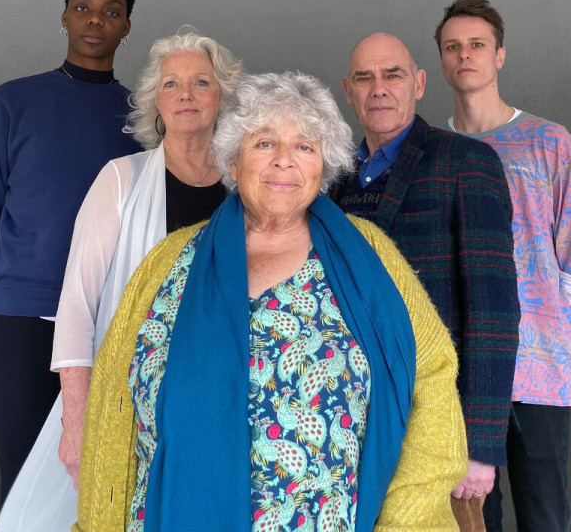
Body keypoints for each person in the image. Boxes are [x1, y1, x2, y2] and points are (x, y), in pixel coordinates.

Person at [74, 71, 466, 531]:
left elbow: (433, 391)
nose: (285, 161)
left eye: (304, 146)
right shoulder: (168, 262)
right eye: (264, 143)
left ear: (324, 166)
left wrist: (403, 524)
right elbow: (112, 408)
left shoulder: (372, 258)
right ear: (233, 162)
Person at [0, 30, 242, 531]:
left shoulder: (247, 184)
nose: (186, 94)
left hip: (224, 401)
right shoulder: (120, 180)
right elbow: (77, 308)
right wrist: (77, 420)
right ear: (155, 99)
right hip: (129, 400)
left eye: (201, 82)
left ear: (224, 97)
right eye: (172, 83)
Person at [331, 33, 520, 530]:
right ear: (348, 91)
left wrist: (479, 446)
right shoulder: (329, 180)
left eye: (392, 75)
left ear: (417, 84)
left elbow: (494, 312)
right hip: (352, 421)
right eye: (365, 78)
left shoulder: (466, 163)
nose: (379, 89)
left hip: (440, 426)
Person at [0, 0, 138, 507]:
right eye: (83, 7)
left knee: (96, 483)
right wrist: (11, 284)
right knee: (24, 486)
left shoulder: (145, 116)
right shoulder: (12, 103)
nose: (96, 19)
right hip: (19, 323)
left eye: (111, 11)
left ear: (127, 28)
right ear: (64, 17)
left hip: (105, 324)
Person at [435, 0, 571, 532]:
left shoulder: (550, 142)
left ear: (499, 56)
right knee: (468, 522)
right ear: (441, 61)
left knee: (547, 518)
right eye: (452, 47)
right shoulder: (436, 152)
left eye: (477, 45)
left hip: (543, 369)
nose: (464, 55)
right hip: (462, 373)